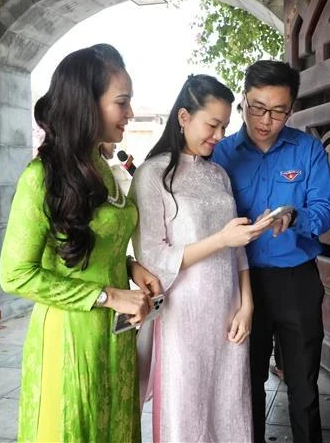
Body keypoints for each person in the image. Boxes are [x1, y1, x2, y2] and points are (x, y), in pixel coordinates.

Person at [0, 43, 163, 442]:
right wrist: (108, 296)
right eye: (121, 103)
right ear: (86, 105)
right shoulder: (41, 177)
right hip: (70, 335)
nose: (130, 113)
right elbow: (15, 276)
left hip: (116, 333)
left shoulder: (100, 169)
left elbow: (88, 241)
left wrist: (129, 267)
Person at [130, 74, 272, 442]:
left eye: (225, 126)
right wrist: (220, 239)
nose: (220, 136)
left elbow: (237, 247)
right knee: (186, 411)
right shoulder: (152, 175)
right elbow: (153, 257)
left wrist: (247, 305)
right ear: (183, 117)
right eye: (213, 124)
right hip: (182, 315)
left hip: (227, 312)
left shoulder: (219, 175)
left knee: (230, 406)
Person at [212, 60, 330, 443]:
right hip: (240, 283)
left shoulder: (307, 150)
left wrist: (295, 216)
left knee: (303, 384)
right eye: (257, 108)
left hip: (296, 279)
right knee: (246, 381)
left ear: (291, 109)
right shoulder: (221, 154)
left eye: (279, 111)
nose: (266, 120)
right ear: (243, 102)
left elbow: (326, 209)